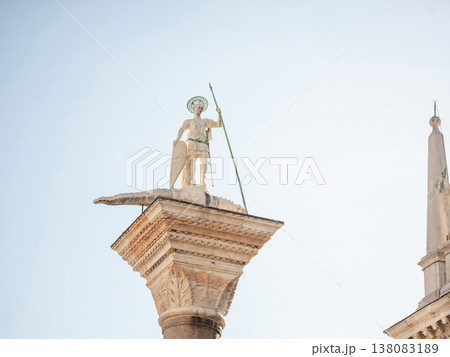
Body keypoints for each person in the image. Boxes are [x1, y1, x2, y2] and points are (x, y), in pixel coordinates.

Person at [174, 102, 222, 188]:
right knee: (192, 162)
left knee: (204, 162)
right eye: (198, 107)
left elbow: (219, 124)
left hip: (203, 143)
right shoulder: (189, 121)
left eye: (201, 108)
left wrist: (219, 114)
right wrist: (178, 139)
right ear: (194, 108)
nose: (200, 109)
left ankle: (202, 182)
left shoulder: (206, 121)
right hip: (192, 142)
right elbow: (182, 129)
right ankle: (191, 181)